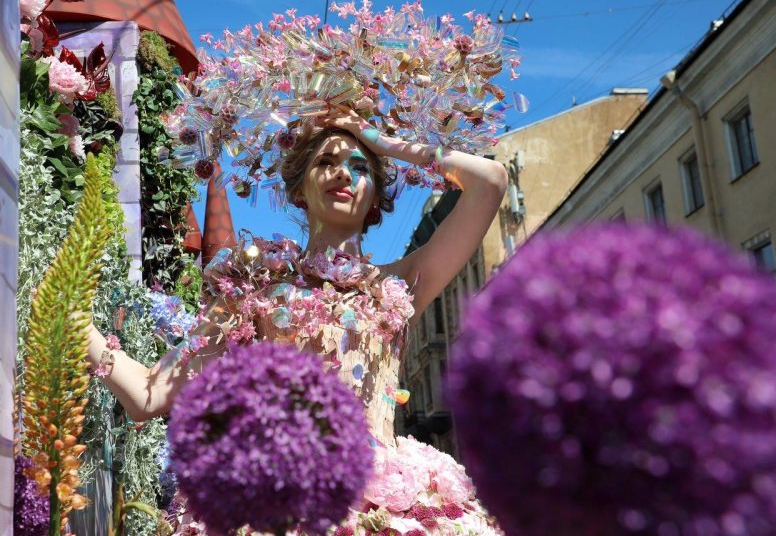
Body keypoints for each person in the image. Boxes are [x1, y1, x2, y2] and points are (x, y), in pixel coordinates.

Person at [85, 109, 508, 447]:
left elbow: (490, 181)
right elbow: (148, 395)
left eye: (360, 168)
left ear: (375, 195)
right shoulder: (252, 287)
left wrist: (383, 142)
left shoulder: (402, 283)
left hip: (380, 509)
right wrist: (74, 326)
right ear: (300, 189)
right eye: (326, 162)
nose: (343, 174)